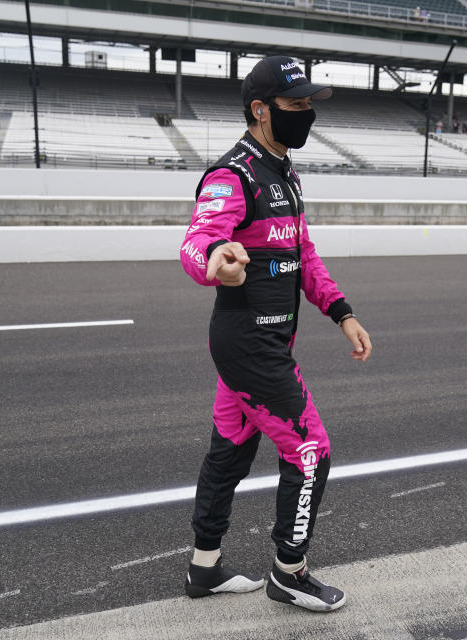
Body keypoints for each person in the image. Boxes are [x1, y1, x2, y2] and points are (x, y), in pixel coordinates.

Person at [179, 55, 372, 613]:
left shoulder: (285, 174)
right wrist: (218, 258)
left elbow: (303, 255)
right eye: (296, 105)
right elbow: (198, 240)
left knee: (231, 452)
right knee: (311, 450)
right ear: (260, 111)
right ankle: (289, 572)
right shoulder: (231, 175)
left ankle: (205, 566)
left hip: (261, 343)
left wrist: (342, 312)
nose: (307, 114)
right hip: (249, 345)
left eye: (310, 104)